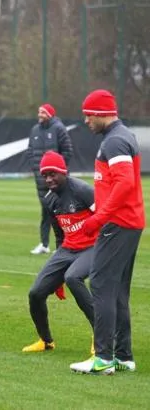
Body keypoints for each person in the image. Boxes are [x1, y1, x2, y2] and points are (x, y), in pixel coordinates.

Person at [70, 89, 145, 375]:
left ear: (102, 113)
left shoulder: (115, 140)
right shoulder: (119, 136)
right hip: (127, 222)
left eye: (89, 114)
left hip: (118, 223)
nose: (86, 119)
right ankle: (124, 356)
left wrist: (98, 218)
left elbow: (124, 184)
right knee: (117, 291)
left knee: (100, 284)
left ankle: (103, 358)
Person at [22, 151, 96, 353]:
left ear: (63, 171)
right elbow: (60, 235)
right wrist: (58, 272)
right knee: (36, 293)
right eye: (45, 175)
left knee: (73, 277)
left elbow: (105, 217)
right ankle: (45, 341)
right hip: (67, 250)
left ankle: (101, 337)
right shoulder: (49, 200)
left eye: (53, 174)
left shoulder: (82, 190)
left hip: (93, 247)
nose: (48, 179)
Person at [27, 103, 72, 254]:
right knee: (45, 211)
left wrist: (58, 173)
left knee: (62, 211)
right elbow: (30, 151)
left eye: (43, 112)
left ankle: (66, 243)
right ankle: (44, 244)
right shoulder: (34, 130)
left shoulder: (59, 128)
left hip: (57, 181)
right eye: (39, 112)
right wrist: (35, 168)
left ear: (50, 114)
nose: (39, 114)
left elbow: (67, 151)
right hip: (40, 180)